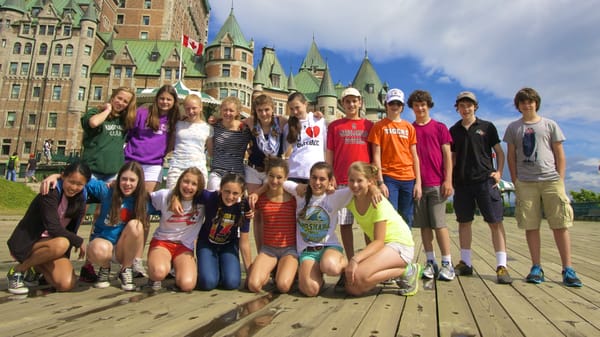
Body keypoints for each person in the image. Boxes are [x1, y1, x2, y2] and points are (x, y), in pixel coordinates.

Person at [503, 87, 582, 287]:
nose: (527, 105)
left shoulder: (549, 124)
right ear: (518, 106)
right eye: (523, 102)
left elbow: (559, 153)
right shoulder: (513, 128)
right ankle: (536, 266)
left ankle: (568, 268)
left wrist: (560, 179)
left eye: (530, 101)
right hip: (526, 182)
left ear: (536, 103)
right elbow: (511, 156)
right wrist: (515, 179)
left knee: (560, 224)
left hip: (550, 179)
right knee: (531, 225)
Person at [449, 91, 512, 284]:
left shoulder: (487, 127)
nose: (465, 108)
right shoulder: (454, 130)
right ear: (457, 108)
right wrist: (449, 178)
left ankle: (502, 266)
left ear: (475, 106)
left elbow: (499, 152)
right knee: (464, 222)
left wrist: (499, 172)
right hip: (462, 182)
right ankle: (466, 263)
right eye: (462, 105)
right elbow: (452, 157)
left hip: (485, 180)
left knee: (495, 222)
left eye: (469, 105)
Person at [79, 86, 138, 282]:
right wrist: (106, 109)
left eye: (125, 101)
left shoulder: (125, 121)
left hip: (112, 174)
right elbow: (94, 123)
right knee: (78, 213)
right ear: (112, 97)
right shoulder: (96, 112)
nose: (120, 103)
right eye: (118, 98)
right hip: (91, 173)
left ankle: (92, 262)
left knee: (100, 216)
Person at [6, 162, 91, 294]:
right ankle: (18, 271)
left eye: (79, 184)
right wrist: (78, 241)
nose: (74, 187)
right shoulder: (50, 190)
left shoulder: (81, 198)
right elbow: (53, 228)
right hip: (31, 242)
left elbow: (107, 187)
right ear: (63, 177)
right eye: (71, 182)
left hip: (52, 247)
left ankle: (35, 269)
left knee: (66, 284)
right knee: (62, 243)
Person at [344, 162, 420, 296]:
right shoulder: (350, 198)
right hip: (384, 246)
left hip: (400, 244)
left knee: (360, 276)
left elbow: (378, 241)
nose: (355, 185)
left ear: (369, 181)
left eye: (359, 180)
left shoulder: (377, 201)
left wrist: (355, 259)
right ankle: (388, 273)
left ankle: (406, 271)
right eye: (351, 180)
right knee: (353, 287)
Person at [325, 87, 373, 290]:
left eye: (355, 101)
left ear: (360, 102)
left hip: (364, 183)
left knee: (368, 226)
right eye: (347, 101)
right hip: (343, 181)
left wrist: (375, 181)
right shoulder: (335, 126)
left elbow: (374, 154)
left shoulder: (369, 125)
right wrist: (330, 176)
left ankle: (368, 264)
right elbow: (330, 153)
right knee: (345, 224)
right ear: (342, 104)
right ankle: (349, 265)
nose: (351, 105)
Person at [283, 162, 350, 297]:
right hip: (308, 252)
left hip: (328, 246)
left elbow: (356, 188)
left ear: (330, 181)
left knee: (331, 266)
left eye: (322, 179)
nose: (317, 182)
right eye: (314, 178)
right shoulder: (300, 194)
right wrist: (300, 186)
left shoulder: (334, 196)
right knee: (310, 290)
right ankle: (316, 274)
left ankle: (345, 270)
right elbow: (284, 183)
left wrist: (374, 189)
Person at [408, 90, 455, 281]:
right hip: (418, 184)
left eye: (423, 104)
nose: (420, 108)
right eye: (417, 105)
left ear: (429, 106)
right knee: (424, 226)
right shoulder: (410, 129)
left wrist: (448, 179)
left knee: (439, 224)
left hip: (437, 183)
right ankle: (430, 261)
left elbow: (447, 156)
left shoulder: (440, 127)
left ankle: (447, 262)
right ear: (412, 108)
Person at [146, 167, 206, 292]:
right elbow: (143, 197)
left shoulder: (202, 202)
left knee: (187, 285)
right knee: (159, 272)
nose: (188, 187)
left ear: (199, 188)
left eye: (194, 184)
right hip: (162, 242)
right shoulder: (165, 195)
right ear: (179, 182)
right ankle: (155, 271)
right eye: (186, 181)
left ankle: (178, 268)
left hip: (184, 247)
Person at [368, 88, 421, 228]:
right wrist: (380, 182)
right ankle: (391, 248)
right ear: (386, 105)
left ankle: (406, 249)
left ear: (402, 106)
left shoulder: (409, 127)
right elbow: (376, 156)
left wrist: (418, 183)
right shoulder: (378, 127)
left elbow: (414, 156)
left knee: (407, 217)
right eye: (392, 103)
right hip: (389, 178)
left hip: (409, 178)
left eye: (398, 103)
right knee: (390, 215)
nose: (395, 106)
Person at [247, 157, 297, 293]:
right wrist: (259, 250)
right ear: (266, 175)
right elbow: (256, 223)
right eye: (271, 176)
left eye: (279, 177)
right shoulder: (261, 199)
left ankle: (286, 269)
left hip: (289, 249)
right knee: (253, 285)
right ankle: (272, 269)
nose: (275, 181)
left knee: (283, 286)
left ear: (286, 177)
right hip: (268, 249)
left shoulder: (294, 199)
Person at [245, 94, 287, 251]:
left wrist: (315, 115)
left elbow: (300, 120)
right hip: (254, 170)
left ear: (273, 109)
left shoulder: (281, 122)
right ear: (255, 111)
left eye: (267, 110)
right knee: (257, 213)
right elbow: (233, 123)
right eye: (260, 110)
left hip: (274, 172)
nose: (264, 114)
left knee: (274, 211)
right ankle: (261, 250)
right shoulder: (250, 122)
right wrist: (215, 121)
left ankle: (274, 249)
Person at [196, 173, 252, 290]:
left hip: (228, 246)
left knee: (231, 283)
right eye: (226, 191)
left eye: (235, 193)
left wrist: (249, 273)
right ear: (220, 189)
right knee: (208, 283)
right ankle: (211, 268)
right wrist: (175, 199)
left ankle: (221, 268)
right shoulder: (210, 197)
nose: (230, 196)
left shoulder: (244, 207)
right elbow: (186, 193)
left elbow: (244, 241)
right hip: (207, 244)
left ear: (241, 194)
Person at [125, 84, 178, 193]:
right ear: (157, 99)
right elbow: (129, 134)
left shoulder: (174, 119)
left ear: (174, 102)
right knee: (125, 198)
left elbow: (172, 143)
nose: (165, 102)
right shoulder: (142, 113)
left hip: (154, 165)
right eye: (162, 98)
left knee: (147, 200)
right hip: (132, 161)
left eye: (169, 99)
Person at [166, 94, 212, 189]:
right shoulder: (178, 124)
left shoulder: (208, 128)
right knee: (172, 198)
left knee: (197, 201)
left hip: (198, 168)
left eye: (194, 108)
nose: (191, 112)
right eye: (188, 108)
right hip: (177, 167)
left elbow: (211, 153)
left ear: (201, 108)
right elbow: (169, 146)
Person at [206, 97, 252, 191]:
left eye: (231, 110)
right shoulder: (215, 126)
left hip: (236, 173)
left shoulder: (244, 129)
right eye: (225, 110)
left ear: (237, 112)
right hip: (217, 172)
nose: (227, 113)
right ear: (221, 110)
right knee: (214, 196)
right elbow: (210, 153)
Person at [285, 92, 327, 183]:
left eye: (297, 107)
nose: (295, 112)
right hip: (294, 174)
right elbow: (283, 149)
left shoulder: (319, 121)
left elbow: (327, 147)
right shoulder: (288, 126)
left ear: (305, 104)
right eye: (291, 109)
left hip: (316, 174)